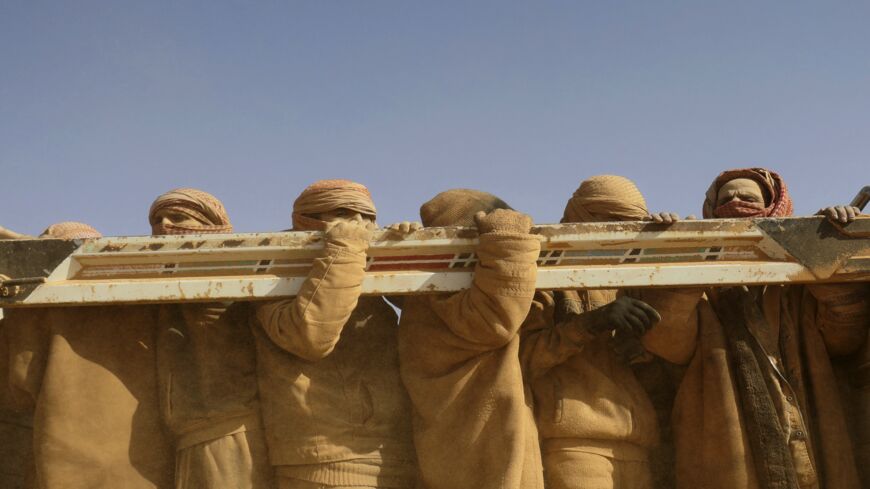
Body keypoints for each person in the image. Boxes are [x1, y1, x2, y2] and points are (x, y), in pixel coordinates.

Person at [645, 168, 868, 489]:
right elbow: (666, 343)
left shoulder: (798, 285)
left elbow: (844, 339)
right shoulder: (706, 288)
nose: (736, 203)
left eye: (748, 198)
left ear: (774, 204)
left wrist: (826, 249)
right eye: (727, 199)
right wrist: (681, 254)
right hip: (729, 450)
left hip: (811, 447)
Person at [253, 179, 417, 489]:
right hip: (324, 462)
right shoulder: (275, 268)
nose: (359, 224)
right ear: (307, 220)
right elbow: (311, 338)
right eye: (343, 213)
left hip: (394, 452)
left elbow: (432, 323)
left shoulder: (354, 259)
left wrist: (406, 250)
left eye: (368, 217)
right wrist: (346, 249)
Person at [520, 175, 682, 489]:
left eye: (632, 223)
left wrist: (668, 241)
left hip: (640, 445)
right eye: (613, 221)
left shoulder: (636, 273)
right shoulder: (545, 274)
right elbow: (524, 358)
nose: (620, 232)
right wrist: (592, 323)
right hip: (576, 446)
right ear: (583, 216)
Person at [4, 221, 174, 488]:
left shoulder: (37, 310)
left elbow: (18, 386)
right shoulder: (141, 303)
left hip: (64, 462)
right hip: (142, 462)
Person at [398, 189, 544, 489]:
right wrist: (507, 242)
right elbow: (494, 322)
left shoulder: (437, 296)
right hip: (476, 454)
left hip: (479, 447)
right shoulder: (440, 297)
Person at [149, 188, 273, 489]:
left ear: (209, 225)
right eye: (156, 221)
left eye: (177, 217)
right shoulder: (166, 278)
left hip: (228, 432)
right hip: (195, 434)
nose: (163, 226)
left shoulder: (227, 271)